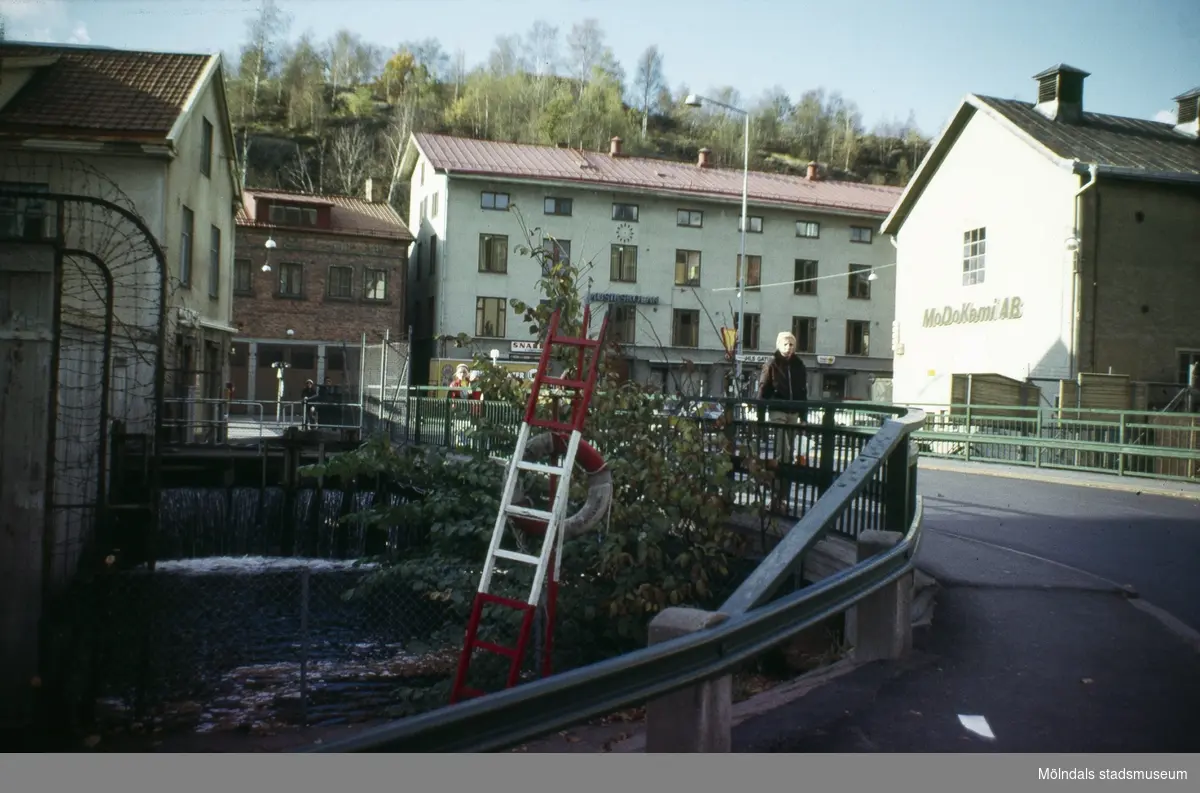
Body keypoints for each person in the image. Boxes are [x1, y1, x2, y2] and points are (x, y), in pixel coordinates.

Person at [756, 331, 809, 469]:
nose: (788, 347)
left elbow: (803, 391)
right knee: (783, 448)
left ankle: (784, 479)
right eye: (785, 344)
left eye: (791, 344)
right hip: (777, 409)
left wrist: (803, 416)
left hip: (794, 411)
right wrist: (760, 413)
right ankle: (781, 477)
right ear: (779, 345)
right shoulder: (772, 363)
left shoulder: (799, 365)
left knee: (790, 449)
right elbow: (763, 388)